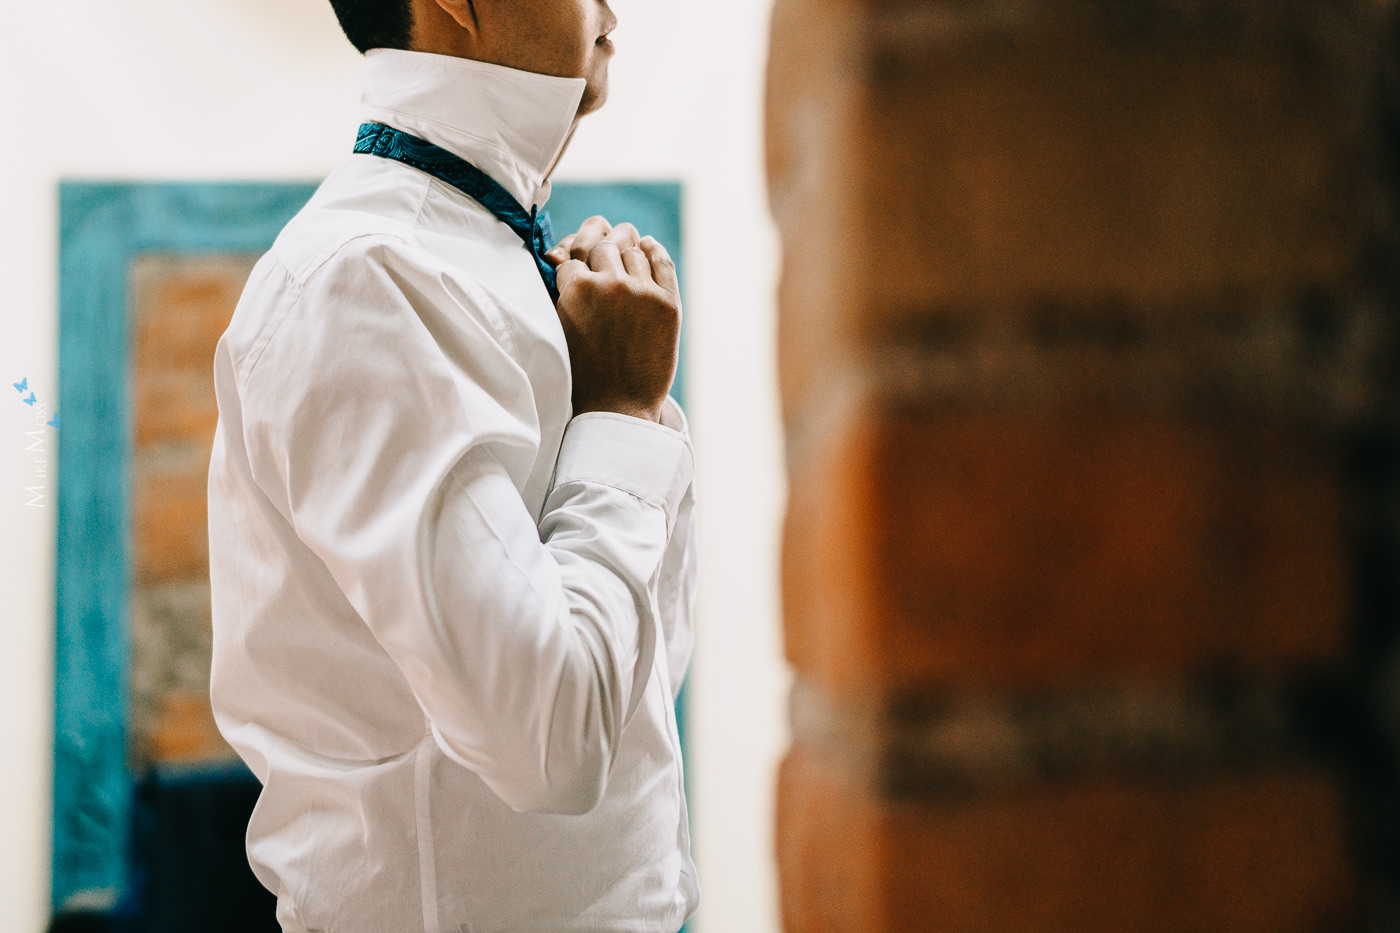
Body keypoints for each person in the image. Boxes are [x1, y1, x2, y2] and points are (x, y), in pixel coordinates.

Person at [206, 0, 699, 930]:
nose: (612, 6)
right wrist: (621, 414)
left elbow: (639, 686)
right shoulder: (365, 280)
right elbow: (553, 741)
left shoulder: (503, 260)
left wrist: (637, 419)